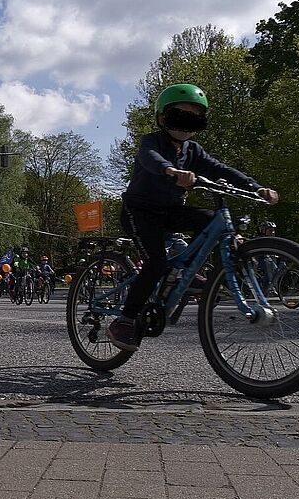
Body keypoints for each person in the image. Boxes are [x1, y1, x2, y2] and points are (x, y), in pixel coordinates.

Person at [107, 83, 279, 352]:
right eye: (180, 114)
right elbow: (150, 158)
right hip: (139, 211)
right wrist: (171, 170)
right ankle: (125, 320)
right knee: (155, 262)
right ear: (163, 118)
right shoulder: (151, 142)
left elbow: (221, 168)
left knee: (212, 220)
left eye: (194, 116)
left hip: (170, 212)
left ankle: (187, 273)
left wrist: (256, 187)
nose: (187, 122)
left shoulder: (193, 151)